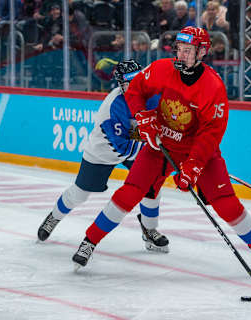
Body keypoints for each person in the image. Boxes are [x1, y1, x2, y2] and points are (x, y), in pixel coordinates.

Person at [71, 26, 251, 279]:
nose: (181, 55)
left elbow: (210, 134)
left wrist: (193, 166)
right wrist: (143, 117)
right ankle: (89, 241)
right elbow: (136, 89)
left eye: (188, 51)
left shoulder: (212, 87)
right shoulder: (163, 68)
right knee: (129, 193)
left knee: (226, 204)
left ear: (202, 52)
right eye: (180, 50)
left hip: (198, 152)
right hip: (160, 147)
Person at [37, 59, 170, 253]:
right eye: (128, 83)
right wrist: (151, 139)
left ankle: (149, 229)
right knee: (80, 193)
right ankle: (54, 216)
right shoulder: (112, 106)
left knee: (151, 186)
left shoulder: (154, 95)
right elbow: (121, 146)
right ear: (120, 84)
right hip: (103, 152)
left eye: (137, 80)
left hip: (137, 147)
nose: (135, 86)